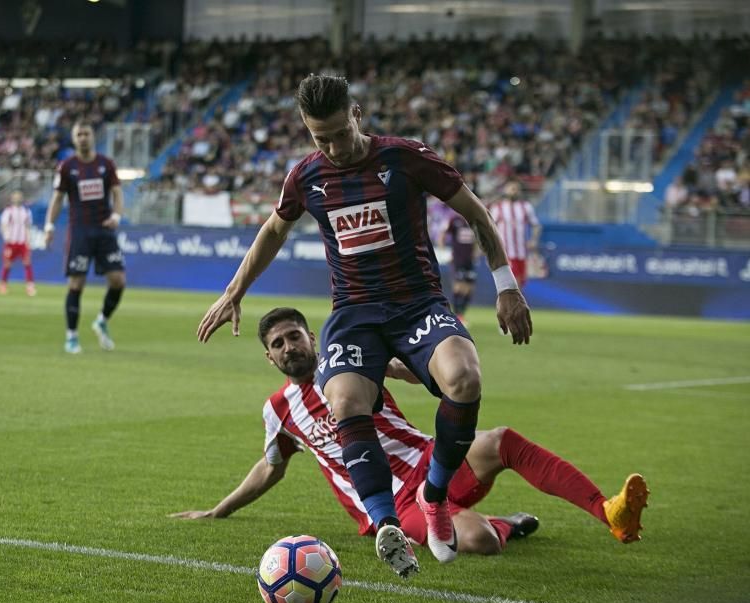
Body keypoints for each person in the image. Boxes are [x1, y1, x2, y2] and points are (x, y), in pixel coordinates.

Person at [197, 74, 533, 577]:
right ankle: (385, 524)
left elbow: (476, 214)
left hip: (418, 304)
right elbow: (273, 230)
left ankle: (435, 495)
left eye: (338, 132)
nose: (332, 147)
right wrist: (233, 291)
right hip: (354, 312)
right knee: (345, 402)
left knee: (465, 379)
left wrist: (506, 285)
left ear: (356, 114)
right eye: (319, 138)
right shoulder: (306, 177)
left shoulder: (406, 157)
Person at [174, 308, 649, 559]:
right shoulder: (280, 409)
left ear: (312, 338)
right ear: (270, 358)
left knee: (500, 439)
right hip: (395, 507)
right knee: (480, 541)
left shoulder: (355, 363)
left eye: (294, 336)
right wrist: (219, 510)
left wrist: (418, 366)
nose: (288, 346)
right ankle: (507, 525)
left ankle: (608, 511)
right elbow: (269, 467)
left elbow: (407, 365)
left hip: (433, 461)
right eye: (277, 344)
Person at [44, 121, 125, 353]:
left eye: (86, 133)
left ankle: (101, 321)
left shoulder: (106, 165)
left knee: (118, 280)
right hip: (79, 231)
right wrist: (49, 226)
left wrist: (117, 217)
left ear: (93, 136)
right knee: (77, 282)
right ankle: (71, 336)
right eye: (78, 134)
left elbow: (117, 193)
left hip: (104, 229)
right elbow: (58, 198)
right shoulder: (67, 167)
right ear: (73, 138)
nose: (83, 138)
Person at [488, 180, 542, 288]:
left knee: (520, 283)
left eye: (517, 189)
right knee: (512, 282)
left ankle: (514, 305)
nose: (514, 191)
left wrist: (533, 240)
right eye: (512, 188)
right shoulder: (498, 207)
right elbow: (490, 227)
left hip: (522, 252)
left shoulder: (526, 207)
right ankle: (513, 304)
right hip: (506, 251)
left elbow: (536, 225)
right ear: (505, 190)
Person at [437, 210, 477, 324]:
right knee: (459, 287)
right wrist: (443, 251)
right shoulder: (454, 220)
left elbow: (475, 240)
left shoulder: (472, 221)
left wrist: (475, 252)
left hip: (469, 260)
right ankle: (457, 315)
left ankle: (461, 314)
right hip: (458, 260)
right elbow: (443, 235)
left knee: (470, 289)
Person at [0, 190, 37, 297]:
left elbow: (28, 227)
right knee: (7, 264)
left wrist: (29, 241)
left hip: (22, 242)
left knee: (27, 263)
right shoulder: (8, 211)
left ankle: (30, 286)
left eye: (19, 196)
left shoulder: (26, 212)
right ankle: (3, 284)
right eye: (15, 196)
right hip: (11, 242)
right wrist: (6, 238)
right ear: (12, 198)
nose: (17, 198)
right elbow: (3, 225)